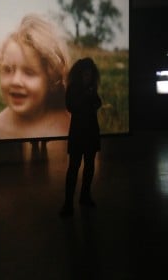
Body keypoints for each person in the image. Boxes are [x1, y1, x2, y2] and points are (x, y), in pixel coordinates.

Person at [0, 14, 71, 141]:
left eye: (29, 72)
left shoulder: (70, 126)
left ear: (51, 79)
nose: (15, 81)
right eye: (7, 70)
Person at [60, 57, 102, 217]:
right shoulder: (73, 88)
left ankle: (85, 196)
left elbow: (97, 103)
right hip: (78, 133)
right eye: (85, 73)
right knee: (74, 167)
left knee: (89, 166)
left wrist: (89, 98)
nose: (88, 76)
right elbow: (71, 106)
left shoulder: (91, 88)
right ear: (80, 74)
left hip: (90, 131)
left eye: (90, 73)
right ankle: (68, 203)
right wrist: (87, 98)